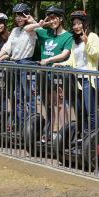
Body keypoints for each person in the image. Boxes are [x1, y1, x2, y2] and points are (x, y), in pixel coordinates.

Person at [24, 6, 74, 135]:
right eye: (50, 19)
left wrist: (49, 60)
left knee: (60, 104)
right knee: (49, 105)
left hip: (58, 75)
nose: (52, 21)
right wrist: (39, 24)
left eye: (54, 18)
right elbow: (26, 28)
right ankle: (49, 129)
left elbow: (64, 54)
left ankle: (64, 133)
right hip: (44, 75)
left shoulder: (68, 36)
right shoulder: (46, 33)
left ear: (61, 19)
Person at [54, 11, 99, 130]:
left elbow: (96, 55)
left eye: (79, 23)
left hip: (89, 79)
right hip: (76, 80)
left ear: (85, 24)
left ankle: (94, 141)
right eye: (74, 24)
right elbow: (72, 61)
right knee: (80, 110)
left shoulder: (93, 36)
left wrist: (87, 42)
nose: (76, 26)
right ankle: (84, 135)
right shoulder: (75, 41)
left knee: (91, 112)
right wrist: (60, 63)